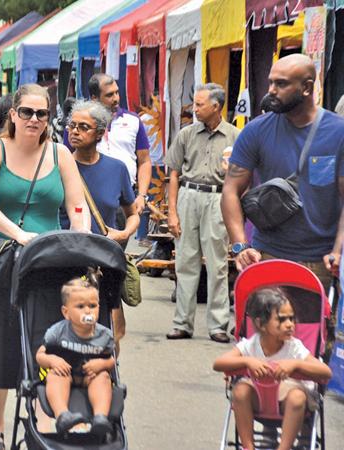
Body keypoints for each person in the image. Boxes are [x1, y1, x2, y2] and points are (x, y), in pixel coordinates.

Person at [0, 84, 88, 450]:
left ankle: (42, 415)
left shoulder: (60, 154)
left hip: (49, 264)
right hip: (4, 260)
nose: (34, 120)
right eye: (27, 112)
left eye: (42, 114)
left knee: (46, 343)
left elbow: (76, 206)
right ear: (12, 114)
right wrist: (19, 235)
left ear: (49, 118)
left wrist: (83, 240)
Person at [222, 54, 344, 288]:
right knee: (266, 324)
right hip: (268, 255)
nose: (272, 90)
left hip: (323, 261)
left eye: (282, 84)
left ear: (307, 88)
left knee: (313, 326)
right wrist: (240, 245)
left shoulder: (338, 132)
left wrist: (338, 251)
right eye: (271, 82)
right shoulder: (256, 130)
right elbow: (230, 190)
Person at [164, 84, 239, 342]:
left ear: (216, 107)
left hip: (219, 198)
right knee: (185, 262)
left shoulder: (235, 136)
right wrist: (172, 213)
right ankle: (182, 322)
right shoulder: (186, 134)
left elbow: (241, 178)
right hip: (188, 195)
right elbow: (173, 174)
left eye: (199, 105)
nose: (194, 109)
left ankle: (218, 326)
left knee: (217, 264)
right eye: (194, 104)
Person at [213, 288, 332, 450]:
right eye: (282, 319)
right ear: (261, 323)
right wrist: (247, 361)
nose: (290, 324)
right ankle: (249, 447)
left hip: (288, 403)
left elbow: (325, 372)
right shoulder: (251, 344)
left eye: (291, 318)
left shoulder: (294, 347)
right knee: (240, 391)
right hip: (258, 400)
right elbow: (219, 363)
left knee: (297, 396)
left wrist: (296, 364)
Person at [62, 100, 136, 350]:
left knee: (113, 330)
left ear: (100, 133)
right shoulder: (58, 166)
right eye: (72, 125)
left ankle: (108, 376)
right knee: (67, 328)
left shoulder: (117, 169)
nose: (75, 131)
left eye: (84, 127)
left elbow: (132, 212)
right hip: (64, 259)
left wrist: (125, 232)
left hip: (104, 264)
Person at [36, 275, 115, 436]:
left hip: (90, 375)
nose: (88, 311)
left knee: (103, 378)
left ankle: (101, 417)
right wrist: (52, 360)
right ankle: (63, 415)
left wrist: (102, 365)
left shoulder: (104, 335)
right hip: (66, 373)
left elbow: (111, 360)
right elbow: (40, 355)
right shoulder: (57, 332)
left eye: (93, 306)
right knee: (54, 376)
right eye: (80, 306)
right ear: (66, 312)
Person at [88, 74, 151, 223]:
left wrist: (142, 196)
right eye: (109, 95)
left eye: (117, 92)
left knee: (118, 244)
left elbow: (144, 161)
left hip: (125, 198)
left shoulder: (133, 121)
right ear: (94, 98)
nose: (116, 98)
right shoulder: (80, 123)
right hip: (90, 198)